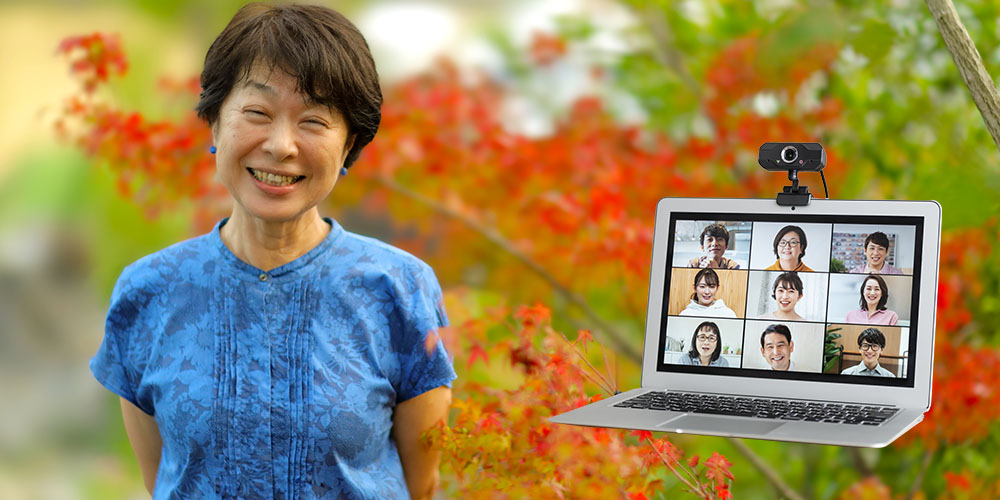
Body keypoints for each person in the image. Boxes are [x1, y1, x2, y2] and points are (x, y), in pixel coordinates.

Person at [89, 5, 455, 499]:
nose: (281, 145)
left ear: (349, 146)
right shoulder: (147, 291)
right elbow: (165, 482)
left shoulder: (398, 288)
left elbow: (421, 484)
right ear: (215, 125)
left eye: (314, 120)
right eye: (257, 113)